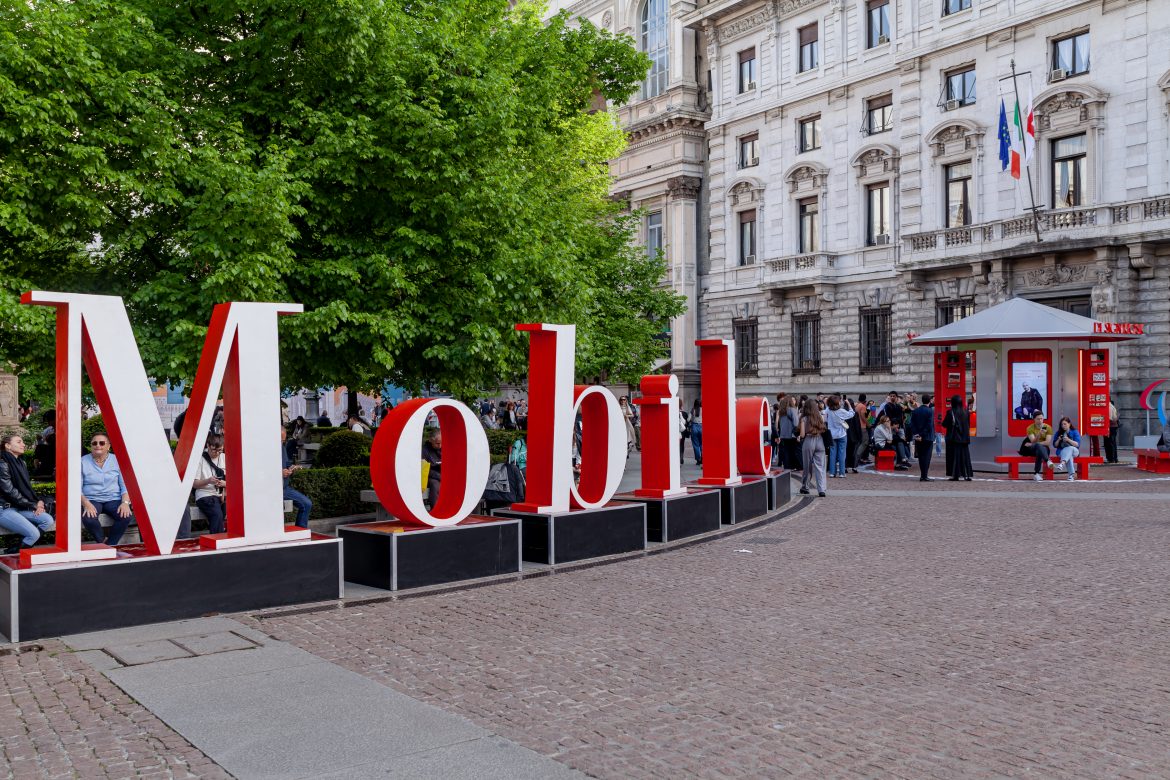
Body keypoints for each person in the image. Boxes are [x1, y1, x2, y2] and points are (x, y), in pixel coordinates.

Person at [0, 434, 55, 553]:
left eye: (23, 442)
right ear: (8, 445)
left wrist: (38, 501)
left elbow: (27, 488)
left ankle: (16, 546)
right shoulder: (2, 463)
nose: (23, 444)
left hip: (18, 507)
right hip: (4, 509)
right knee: (34, 534)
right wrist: (33, 505)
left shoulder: (21, 463)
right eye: (19, 442)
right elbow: (9, 491)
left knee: (47, 519)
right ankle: (12, 553)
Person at [80, 432, 134, 545]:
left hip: (113, 499)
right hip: (92, 499)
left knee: (125, 516)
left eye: (102, 443)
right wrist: (86, 503)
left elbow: (125, 485)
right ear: (91, 446)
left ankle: (110, 545)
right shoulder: (82, 461)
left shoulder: (117, 460)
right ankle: (103, 542)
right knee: (88, 518)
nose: (98, 445)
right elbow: (77, 488)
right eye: (94, 443)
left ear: (108, 446)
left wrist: (125, 503)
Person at [193, 434, 228, 534]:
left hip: (222, 494)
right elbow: (194, 484)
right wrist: (208, 481)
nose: (217, 453)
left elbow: (236, 480)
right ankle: (218, 538)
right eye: (214, 450)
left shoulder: (224, 457)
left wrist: (225, 484)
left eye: (220, 450)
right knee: (217, 514)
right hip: (205, 494)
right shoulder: (200, 459)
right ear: (208, 445)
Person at [280, 428, 312, 527]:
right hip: (272, 490)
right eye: (280, 440)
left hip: (284, 488)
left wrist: (292, 467)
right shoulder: (265, 450)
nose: (282, 442)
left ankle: (300, 530)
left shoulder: (282, 448)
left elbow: (286, 464)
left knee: (306, 504)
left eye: (283, 440)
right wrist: (279, 473)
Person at [797, 399, 827, 497]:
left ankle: (805, 487)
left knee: (807, 466)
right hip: (820, 440)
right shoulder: (820, 417)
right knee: (820, 466)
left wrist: (799, 436)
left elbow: (802, 434)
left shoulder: (804, 418)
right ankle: (821, 489)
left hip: (809, 440)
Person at [942, 395, 972, 480]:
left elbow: (944, 424)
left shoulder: (951, 412)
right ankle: (967, 474)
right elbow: (968, 424)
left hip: (954, 438)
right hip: (965, 438)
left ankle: (955, 475)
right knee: (965, 456)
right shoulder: (966, 412)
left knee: (954, 457)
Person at [824, 396, 854, 479]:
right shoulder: (841, 411)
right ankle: (842, 473)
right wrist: (849, 404)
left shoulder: (828, 410)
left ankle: (832, 473)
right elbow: (852, 414)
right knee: (842, 454)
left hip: (832, 435)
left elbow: (824, 416)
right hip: (841, 434)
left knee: (832, 454)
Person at [908, 394, 936, 481]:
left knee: (921, 457)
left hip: (918, 437)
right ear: (930, 401)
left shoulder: (916, 411)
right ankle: (925, 475)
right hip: (927, 437)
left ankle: (922, 475)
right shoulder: (930, 411)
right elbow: (929, 425)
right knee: (927, 457)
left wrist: (917, 434)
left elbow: (911, 424)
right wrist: (922, 435)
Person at [1021, 410, 1055, 481]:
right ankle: (1048, 461)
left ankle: (1036, 474)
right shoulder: (1030, 428)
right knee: (1037, 447)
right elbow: (1033, 441)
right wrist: (1039, 434)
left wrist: (1036, 444)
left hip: (1044, 449)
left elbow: (1047, 442)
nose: (1040, 421)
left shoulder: (1048, 427)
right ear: (1034, 419)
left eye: (1041, 418)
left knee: (1039, 450)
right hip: (1032, 449)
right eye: (1038, 419)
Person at [1053, 417, 1081, 481]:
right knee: (1069, 455)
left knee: (1070, 448)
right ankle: (1071, 475)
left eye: (1065, 424)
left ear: (1069, 424)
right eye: (1062, 424)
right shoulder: (1058, 433)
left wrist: (1068, 440)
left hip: (1074, 451)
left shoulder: (1075, 432)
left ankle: (1062, 463)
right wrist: (1058, 440)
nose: (1063, 426)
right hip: (1061, 451)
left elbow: (1077, 444)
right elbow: (1055, 445)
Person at [422, 428, 442, 509]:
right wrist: (439, 476)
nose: (440, 446)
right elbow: (424, 469)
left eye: (441, 443)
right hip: (430, 476)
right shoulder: (424, 451)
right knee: (435, 484)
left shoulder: (443, 448)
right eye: (437, 443)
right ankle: (436, 509)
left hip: (441, 473)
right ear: (431, 440)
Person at [779, 396, 801, 471]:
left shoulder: (781, 411)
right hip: (791, 434)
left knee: (786, 451)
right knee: (793, 451)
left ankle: (787, 466)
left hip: (783, 434)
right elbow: (796, 423)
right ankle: (794, 466)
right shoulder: (792, 409)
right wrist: (798, 432)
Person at [690, 399, 703, 466]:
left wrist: (692, 419)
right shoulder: (704, 409)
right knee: (702, 444)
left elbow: (688, 419)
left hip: (694, 427)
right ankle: (703, 458)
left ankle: (698, 459)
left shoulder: (693, 410)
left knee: (695, 444)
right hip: (702, 427)